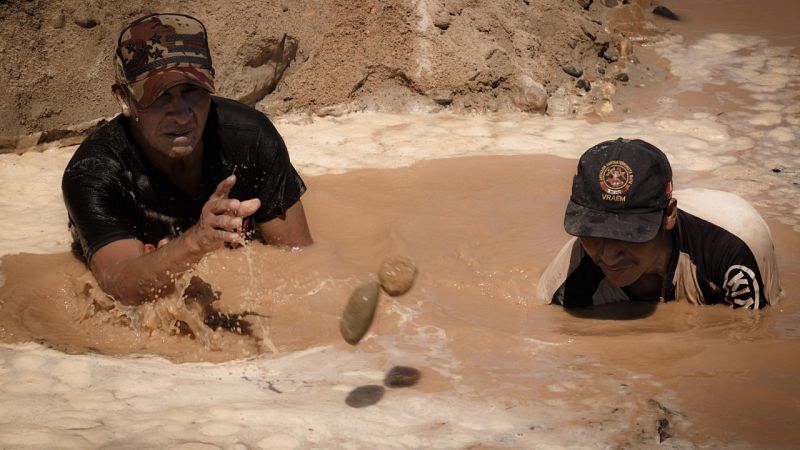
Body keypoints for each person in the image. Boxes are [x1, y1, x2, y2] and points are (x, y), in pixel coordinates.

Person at [62, 13, 312, 305]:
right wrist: (195, 242)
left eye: (192, 91)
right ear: (124, 100)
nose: (181, 114)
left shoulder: (250, 138)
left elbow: (302, 263)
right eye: (159, 96)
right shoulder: (95, 173)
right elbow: (121, 288)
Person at [537, 138, 781, 309]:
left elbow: (749, 347)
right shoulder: (567, 285)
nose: (609, 257)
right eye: (593, 234)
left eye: (627, 235)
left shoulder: (732, 251)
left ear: (669, 215)